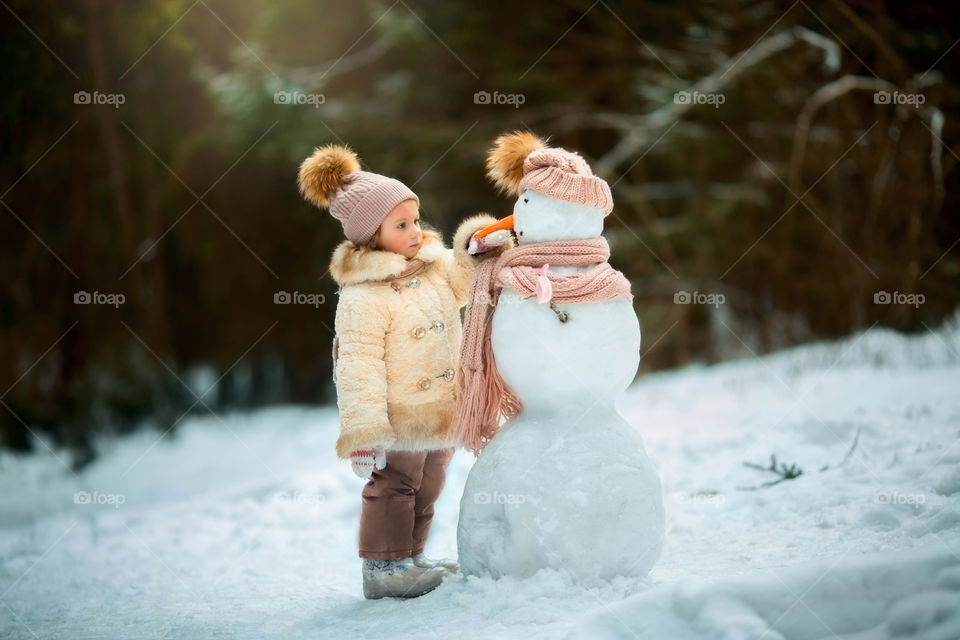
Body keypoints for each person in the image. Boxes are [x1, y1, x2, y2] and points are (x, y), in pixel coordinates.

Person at [297, 144, 512, 599]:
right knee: (395, 485)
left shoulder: (430, 268)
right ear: (371, 236)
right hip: (397, 415)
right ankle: (382, 566)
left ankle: (410, 556)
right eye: (401, 225)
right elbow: (357, 366)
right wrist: (364, 432)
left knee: (429, 483)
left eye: (415, 220)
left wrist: (475, 251)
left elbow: (462, 284)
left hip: (440, 408)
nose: (416, 231)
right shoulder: (362, 297)